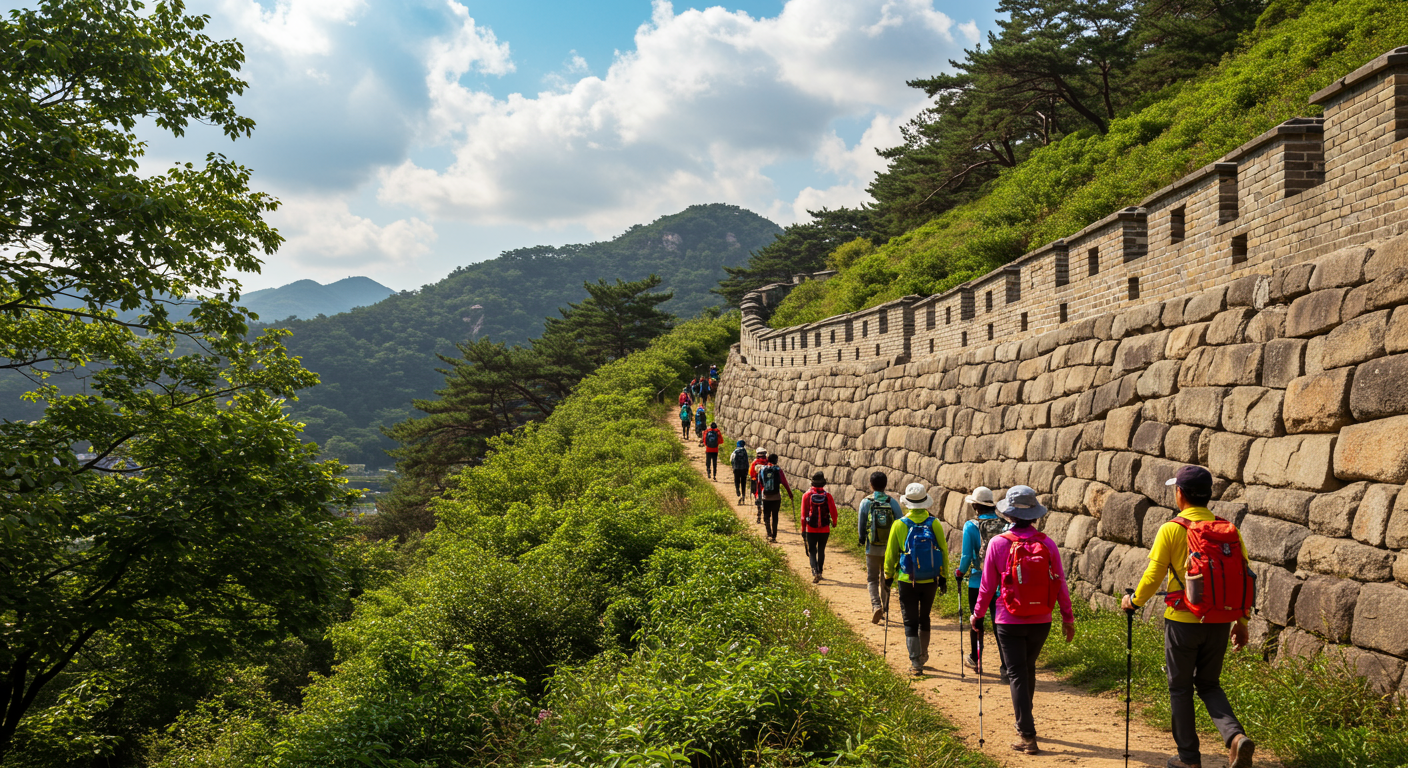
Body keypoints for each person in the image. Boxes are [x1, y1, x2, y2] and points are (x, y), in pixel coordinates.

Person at [1122, 466, 1256, 768]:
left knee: (1180, 687)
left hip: (1183, 621)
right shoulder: (1229, 530)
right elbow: (1245, 577)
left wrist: (1133, 601)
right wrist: (1242, 622)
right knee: (1209, 684)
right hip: (1220, 621)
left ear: (1180, 493)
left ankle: (1188, 759)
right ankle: (1235, 738)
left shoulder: (1172, 529)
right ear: (1208, 495)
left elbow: (1154, 574)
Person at [971, 485, 1076, 755]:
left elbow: (987, 585)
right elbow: (1060, 583)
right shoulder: (1047, 543)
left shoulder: (998, 543)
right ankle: (1023, 721)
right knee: (1028, 669)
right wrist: (1068, 617)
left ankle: (1027, 735)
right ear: (1035, 516)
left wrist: (978, 614)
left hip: (1009, 618)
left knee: (1017, 673)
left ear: (1009, 515)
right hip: (1042, 618)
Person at [883, 483, 949, 676]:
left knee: (910, 620)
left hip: (906, 579)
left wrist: (888, 577)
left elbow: (891, 554)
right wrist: (943, 577)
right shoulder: (934, 523)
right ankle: (923, 654)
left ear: (907, 503)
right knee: (924, 618)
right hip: (930, 579)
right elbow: (943, 551)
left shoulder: (899, 524)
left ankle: (915, 663)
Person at [956, 486, 1010, 683]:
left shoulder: (971, 526)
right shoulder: (1005, 525)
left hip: (978, 582)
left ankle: (976, 659)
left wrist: (960, 572)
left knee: (976, 621)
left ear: (975, 506)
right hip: (1001, 583)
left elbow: (966, 556)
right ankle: (1006, 666)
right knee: (1000, 624)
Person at [857, 472, 902, 624]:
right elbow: (900, 522)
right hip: (889, 548)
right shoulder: (892, 502)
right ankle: (886, 607)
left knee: (872, 579)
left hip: (872, 547)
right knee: (886, 577)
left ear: (871, 484)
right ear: (885, 484)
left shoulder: (866, 502)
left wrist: (862, 539)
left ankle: (876, 605)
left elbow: (862, 523)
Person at [800, 472, 838, 583]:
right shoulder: (827, 496)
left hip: (811, 528)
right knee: (821, 550)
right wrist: (834, 523)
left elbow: (803, 516)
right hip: (825, 528)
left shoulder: (807, 495)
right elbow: (834, 513)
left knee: (812, 551)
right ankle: (820, 571)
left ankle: (814, 571)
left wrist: (803, 530)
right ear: (823, 483)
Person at [757, 453, 793, 543]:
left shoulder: (762, 470)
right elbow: (785, 483)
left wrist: (760, 493)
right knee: (775, 517)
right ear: (776, 461)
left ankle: (768, 534)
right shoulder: (778, 470)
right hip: (776, 497)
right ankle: (774, 536)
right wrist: (790, 494)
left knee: (766, 516)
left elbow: (759, 482)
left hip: (766, 496)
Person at [748, 448, 770, 523]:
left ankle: (759, 515)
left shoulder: (755, 463)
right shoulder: (768, 463)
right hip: (768, 486)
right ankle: (766, 516)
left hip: (758, 485)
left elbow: (751, 473)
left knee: (758, 499)